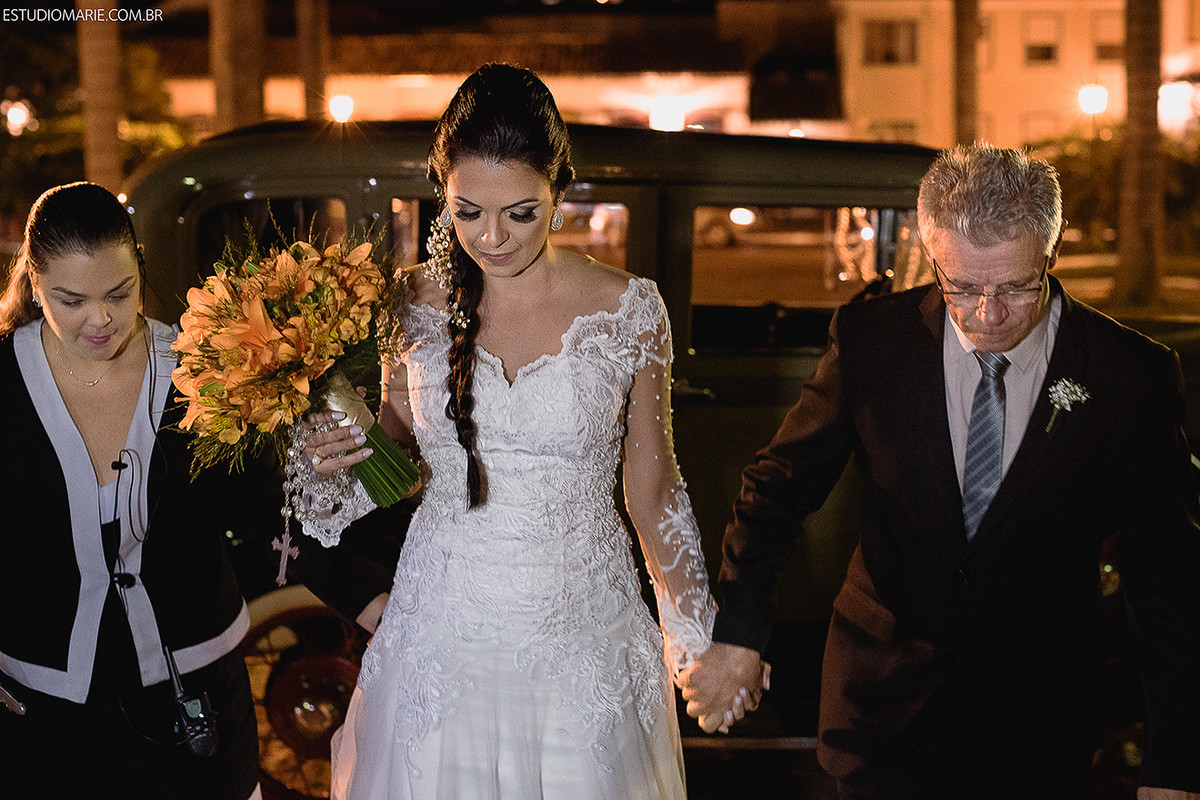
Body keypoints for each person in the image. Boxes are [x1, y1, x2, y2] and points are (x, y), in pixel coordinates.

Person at [680, 144, 1200, 799]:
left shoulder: (1131, 375)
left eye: (1017, 287)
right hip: (881, 715)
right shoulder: (872, 340)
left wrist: (1174, 766)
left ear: (1052, 251)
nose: (989, 314)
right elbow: (777, 490)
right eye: (963, 287)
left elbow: (1168, 576)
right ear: (933, 258)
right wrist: (739, 636)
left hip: (1037, 725)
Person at [298, 63, 720, 799]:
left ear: (559, 189)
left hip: (583, 635)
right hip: (443, 630)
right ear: (443, 194)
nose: (491, 239)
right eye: (468, 213)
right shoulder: (408, 302)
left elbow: (654, 493)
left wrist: (699, 643)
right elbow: (400, 453)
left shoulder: (629, 309)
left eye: (520, 213)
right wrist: (337, 455)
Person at [0, 182, 271, 799]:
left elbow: (270, 512)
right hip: (41, 719)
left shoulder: (205, 367)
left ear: (141, 270)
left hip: (197, 707)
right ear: (35, 283)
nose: (100, 319)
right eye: (71, 300)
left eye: (119, 294)